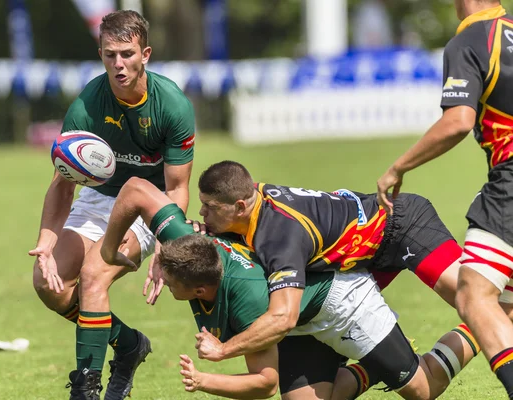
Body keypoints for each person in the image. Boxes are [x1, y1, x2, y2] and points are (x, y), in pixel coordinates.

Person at [99, 177, 479, 399]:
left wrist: (213, 364)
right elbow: (135, 189)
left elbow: (266, 380)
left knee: (425, 387)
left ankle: (483, 329)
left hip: (346, 295)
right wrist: (111, 249)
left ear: (199, 291)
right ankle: (370, 367)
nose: (202, 217)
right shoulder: (192, 243)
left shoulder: (249, 295)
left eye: (168, 282)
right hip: (302, 305)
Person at [28, 10, 195, 400]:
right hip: (99, 197)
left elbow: (177, 188)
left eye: (126, 54)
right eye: (109, 55)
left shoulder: (172, 105)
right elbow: (62, 183)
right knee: (48, 286)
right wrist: (46, 243)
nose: (118, 64)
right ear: (100, 54)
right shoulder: (87, 105)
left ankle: (84, 390)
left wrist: (167, 243)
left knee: (92, 277)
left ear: (145, 54)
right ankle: (128, 346)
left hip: (149, 204)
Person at [375, 1, 513, 397]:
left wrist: (399, 167)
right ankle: (434, 370)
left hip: (510, 179)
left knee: (474, 296)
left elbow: (458, 121)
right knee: (502, 303)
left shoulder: (472, 38)